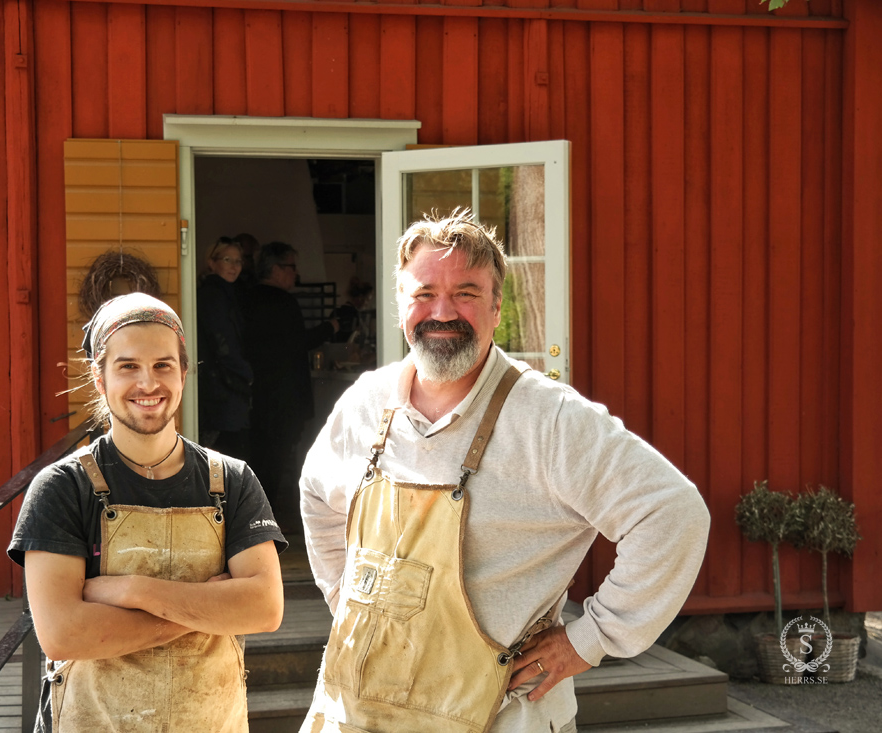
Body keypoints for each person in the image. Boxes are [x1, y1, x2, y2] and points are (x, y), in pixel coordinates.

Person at [299, 210, 710, 732]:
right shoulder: (365, 403)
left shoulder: (550, 417)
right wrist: (344, 598)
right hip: (357, 711)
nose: (442, 311)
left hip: (498, 717)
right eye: (424, 293)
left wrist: (593, 639)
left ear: (497, 309)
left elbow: (673, 513)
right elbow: (316, 493)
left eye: (466, 293)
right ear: (401, 305)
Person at [8, 292, 285, 733]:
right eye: (128, 366)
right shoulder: (63, 488)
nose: (148, 383)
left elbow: (264, 608)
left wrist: (130, 590)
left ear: (184, 373)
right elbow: (64, 633)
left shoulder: (230, 480)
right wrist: (205, 610)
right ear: (99, 378)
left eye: (162, 365)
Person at [244, 242, 337, 531]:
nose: (296, 274)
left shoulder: (247, 299)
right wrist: (330, 328)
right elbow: (299, 343)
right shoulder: (283, 302)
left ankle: (254, 522)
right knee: (276, 460)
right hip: (284, 398)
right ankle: (265, 524)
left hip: (257, 395)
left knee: (260, 459)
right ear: (276, 269)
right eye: (292, 267)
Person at [198, 237, 253, 459]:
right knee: (225, 455)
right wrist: (246, 375)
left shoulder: (227, 293)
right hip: (221, 387)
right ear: (212, 262)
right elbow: (223, 342)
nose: (234, 266)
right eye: (227, 259)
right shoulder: (214, 295)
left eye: (238, 261)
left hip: (223, 385)